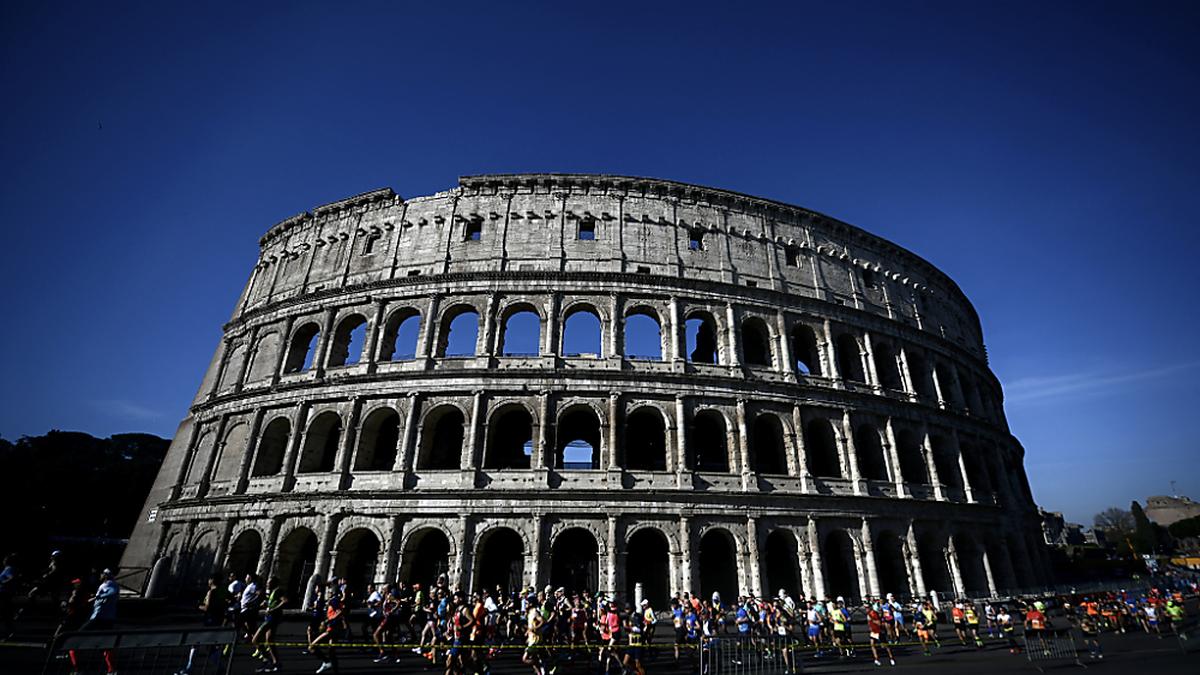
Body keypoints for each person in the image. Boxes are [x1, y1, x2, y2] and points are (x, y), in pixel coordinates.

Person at [251, 577, 285, 672]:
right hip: (270, 617)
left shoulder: (278, 591)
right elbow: (271, 602)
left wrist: (273, 609)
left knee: (255, 640)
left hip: (272, 618)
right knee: (269, 640)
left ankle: (268, 660)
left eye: (269, 583)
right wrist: (264, 604)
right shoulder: (271, 592)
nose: (267, 584)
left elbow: (284, 601)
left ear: (274, 583)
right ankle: (276, 663)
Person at [309, 585, 345, 674]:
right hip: (334, 628)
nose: (327, 593)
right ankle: (335, 670)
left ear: (332, 593)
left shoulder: (334, 601)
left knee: (311, 646)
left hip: (332, 629)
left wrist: (327, 621)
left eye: (328, 592)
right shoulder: (332, 601)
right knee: (331, 651)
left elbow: (339, 612)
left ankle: (326, 662)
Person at [867, 602, 896, 667]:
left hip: (879, 631)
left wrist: (872, 620)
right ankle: (876, 659)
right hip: (873, 631)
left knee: (885, 646)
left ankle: (891, 658)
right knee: (872, 645)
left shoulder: (876, 614)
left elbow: (879, 623)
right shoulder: (871, 613)